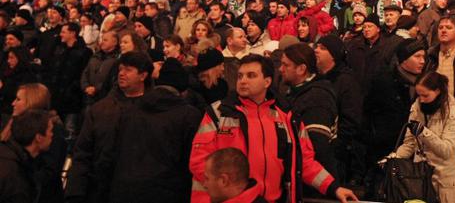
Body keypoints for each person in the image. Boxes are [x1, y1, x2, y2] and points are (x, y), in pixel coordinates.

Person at [189, 55, 357, 203]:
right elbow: (199, 162)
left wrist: (334, 188)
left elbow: (304, 161)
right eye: (240, 76)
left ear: (267, 82)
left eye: (251, 75)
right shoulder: (218, 113)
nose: (243, 81)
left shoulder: (287, 117)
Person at [109, 58, 202, 203]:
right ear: (183, 91)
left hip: (125, 189)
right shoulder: (189, 116)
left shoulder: (130, 109)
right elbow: (190, 162)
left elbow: (113, 151)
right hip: (167, 192)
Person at [65, 51, 153, 203]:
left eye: (128, 70)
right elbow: (83, 152)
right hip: (101, 189)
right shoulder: (101, 109)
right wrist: (75, 192)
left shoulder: (155, 110)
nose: (122, 74)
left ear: (143, 76)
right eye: (121, 69)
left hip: (139, 191)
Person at [362, 38, 425, 199]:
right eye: (417, 56)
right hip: (383, 151)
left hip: (413, 154)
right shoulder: (383, 81)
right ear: (404, 59)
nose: (422, 61)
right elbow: (367, 113)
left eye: (423, 57)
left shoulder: (425, 84)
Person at [390, 72, 455, 203]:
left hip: (445, 185)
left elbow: (447, 150)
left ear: (438, 91)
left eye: (425, 95)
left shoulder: (454, 113)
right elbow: (409, 143)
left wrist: (423, 133)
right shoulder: (416, 108)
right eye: (419, 95)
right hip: (420, 182)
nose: (421, 99)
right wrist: (392, 158)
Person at [0, 83, 67, 203]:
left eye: (18, 99)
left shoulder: (51, 130)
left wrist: (21, 179)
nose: (13, 103)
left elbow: (49, 171)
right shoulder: (11, 124)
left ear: (32, 102)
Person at [280, 43, 339, 178]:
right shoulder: (296, 92)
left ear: (301, 69)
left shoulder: (317, 98)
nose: (280, 69)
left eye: (286, 65)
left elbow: (316, 147)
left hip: (314, 181)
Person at [314, 36, 364, 185]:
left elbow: (351, 119)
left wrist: (336, 146)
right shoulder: (316, 79)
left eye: (323, 48)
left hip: (337, 156)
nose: (316, 50)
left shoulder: (346, 81)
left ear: (334, 55)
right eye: (317, 46)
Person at [0, 109, 55, 202]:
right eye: (50, 130)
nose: (52, 135)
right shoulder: (17, 178)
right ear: (39, 138)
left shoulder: (8, 154)